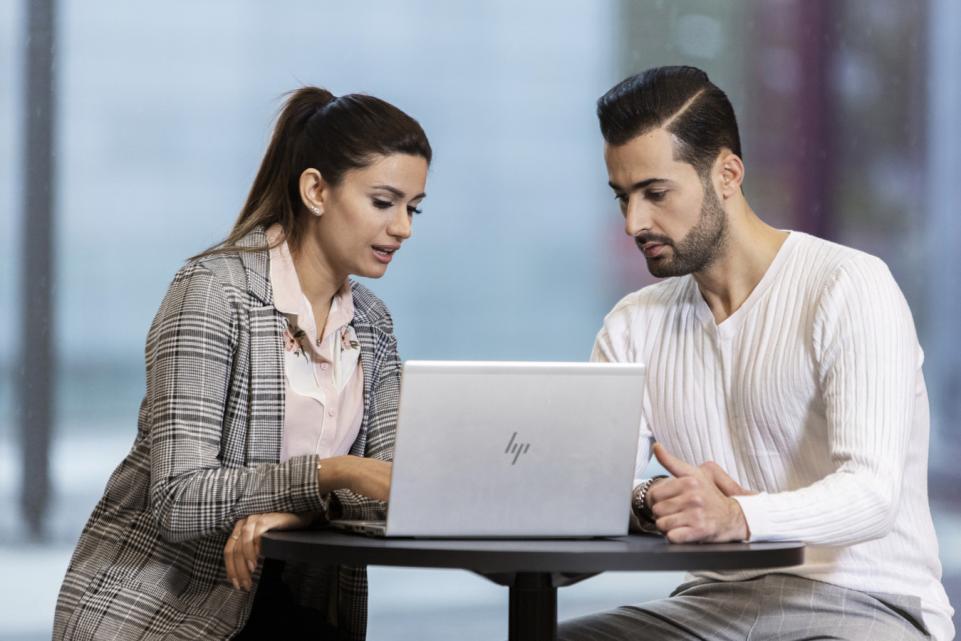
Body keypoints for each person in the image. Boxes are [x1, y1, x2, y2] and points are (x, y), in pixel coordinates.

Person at [558, 66, 954, 641]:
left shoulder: (848, 285)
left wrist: (739, 515)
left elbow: (873, 494)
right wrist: (649, 500)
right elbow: (582, 495)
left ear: (727, 173)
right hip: (713, 605)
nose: (633, 223)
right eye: (623, 197)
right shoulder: (632, 324)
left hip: (869, 603)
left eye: (655, 194)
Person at [52, 87, 431, 640]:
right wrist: (334, 472)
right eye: (384, 202)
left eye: (413, 208)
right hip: (161, 614)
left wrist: (298, 512)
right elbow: (180, 498)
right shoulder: (212, 292)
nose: (404, 228)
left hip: (288, 604)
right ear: (316, 190)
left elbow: (394, 493)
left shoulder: (372, 324)